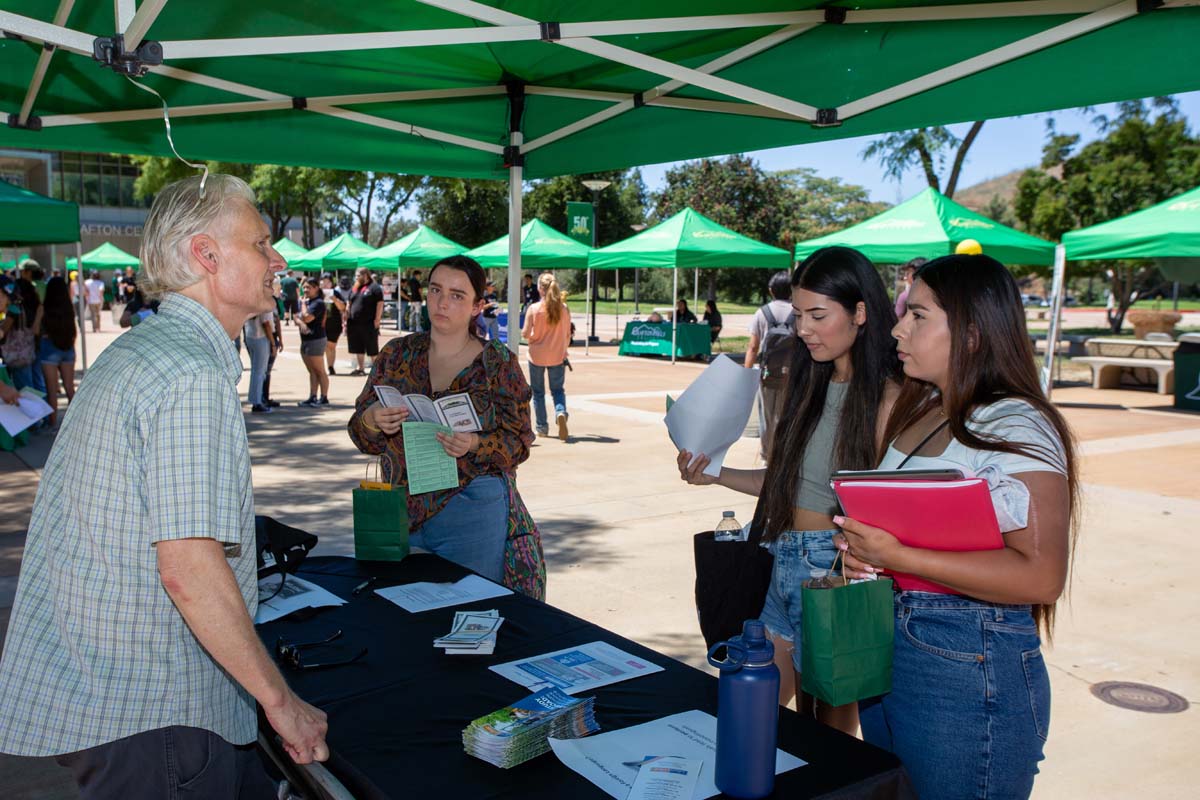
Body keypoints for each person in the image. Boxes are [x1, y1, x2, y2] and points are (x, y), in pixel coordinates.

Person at [0, 174, 328, 797]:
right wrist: (280, 701)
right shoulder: (189, 372)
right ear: (207, 255)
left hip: (115, 699)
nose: (277, 259)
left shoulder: (142, 349)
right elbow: (188, 567)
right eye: (261, 243)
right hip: (155, 711)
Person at [839, 254, 1076, 800]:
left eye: (918, 316)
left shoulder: (1015, 423)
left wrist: (899, 556)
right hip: (896, 648)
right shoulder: (924, 409)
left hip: (968, 666)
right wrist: (861, 548)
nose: (898, 327)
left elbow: (1041, 576)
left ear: (971, 333)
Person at [677, 247, 902, 735]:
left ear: (860, 313)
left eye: (818, 315)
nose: (803, 329)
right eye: (799, 315)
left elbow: (894, 507)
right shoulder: (810, 384)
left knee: (824, 734)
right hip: (778, 559)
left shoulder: (890, 399)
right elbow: (782, 486)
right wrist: (712, 472)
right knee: (748, 720)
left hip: (835, 571)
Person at [348, 255, 538, 588]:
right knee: (399, 613)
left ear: (478, 306)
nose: (442, 302)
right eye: (435, 290)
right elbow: (359, 432)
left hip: (472, 507)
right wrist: (373, 420)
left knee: (471, 609)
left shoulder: (498, 363)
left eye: (457, 295)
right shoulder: (396, 355)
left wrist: (475, 443)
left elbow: (520, 440)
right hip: (398, 509)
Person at [746, 270, 796, 460]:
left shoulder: (763, 312)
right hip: (790, 374)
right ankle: (783, 454)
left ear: (771, 290)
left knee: (766, 416)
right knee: (785, 415)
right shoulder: (797, 312)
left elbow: (753, 346)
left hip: (767, 374)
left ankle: (767, 455)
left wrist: (747, 372)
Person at [522, 272, 573, 441]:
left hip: (537, 355)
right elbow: (567, 334)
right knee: (557, 390)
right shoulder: (564, 309)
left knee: (538, 393)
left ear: (539, 288)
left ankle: (542, 427)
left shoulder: (534, 309)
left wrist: (534, 336)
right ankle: (560, 412)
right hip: (557, 354)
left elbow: (526, 334)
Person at [37, 276, 77, 427]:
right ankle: (77, 422)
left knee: (51, 389)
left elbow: (35, 330)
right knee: (69, 387)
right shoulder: (69, 307)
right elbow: (73, 331)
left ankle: (53, 424)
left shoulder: (44, 308)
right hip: (67, 347)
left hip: (49, 348)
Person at [0, 278, 40, 391]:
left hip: (18, 358)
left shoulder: (13, 310)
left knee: (26, 392)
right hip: (21, 356)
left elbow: (2, 332)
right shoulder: (17, 308)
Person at [297, 277, 330, 407]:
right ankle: (312, 396)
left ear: (316, 288)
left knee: (320, 370)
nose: (305, 290)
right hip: (306, 340)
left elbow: (307, 317)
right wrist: (301, 323)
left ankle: (324, 397)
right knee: (312, 371)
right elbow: (297, 318)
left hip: (316, 339)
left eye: (308, 287)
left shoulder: (318, 303)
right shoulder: (308, 301)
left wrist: (303, 307)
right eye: (304, 287)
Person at [347, 267, 384, 375]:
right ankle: (360, 368)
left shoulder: (374, 288)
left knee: (372, 346)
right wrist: (347, 310)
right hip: (354, 323)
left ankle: (377, 370)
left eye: (358, 275)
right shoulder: (355, 287)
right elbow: (350, 300)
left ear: (365, 275)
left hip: (369, 323)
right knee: (357, 347)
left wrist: (377, 319)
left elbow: (380, 304)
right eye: (356, 276)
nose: (357, 278)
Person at [243, 305, 275, 414]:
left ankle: (255, 398)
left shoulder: (251, 303)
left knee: (256, 371)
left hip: (250, 336)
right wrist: (273, 343)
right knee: (260, 372)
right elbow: (266, 324)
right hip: (260, 337)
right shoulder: (263, 305)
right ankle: (257, 402)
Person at [322, 273, 347, 375]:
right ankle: (326, 366)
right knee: (324, 347)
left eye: (328, 282)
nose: (325, 284)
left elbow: (343, 308)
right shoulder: (317, 293)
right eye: (323, 282)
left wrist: (335, 300)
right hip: (321, 325)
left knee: (331, 346)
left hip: (334, 323)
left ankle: (331, 366)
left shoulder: (335, 293)